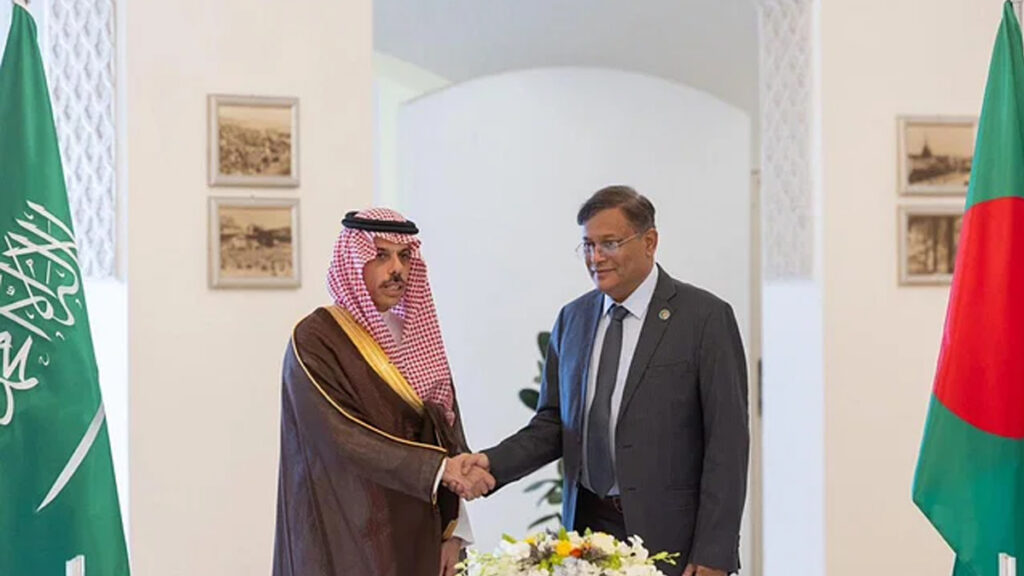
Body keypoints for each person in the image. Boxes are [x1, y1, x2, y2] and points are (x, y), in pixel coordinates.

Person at [455, 186, 749, 576]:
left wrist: (714, 552)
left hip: (672, 539)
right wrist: (491, 463)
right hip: (588, 532)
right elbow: (553, 425)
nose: (596, 258)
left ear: (650, 242)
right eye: (588, 245)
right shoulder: (573, 319)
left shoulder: (704, 318)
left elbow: (727, 445)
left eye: (609, 244)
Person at [273, 207, 494, 576]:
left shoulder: (416, 337)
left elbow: (445, 434)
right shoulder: (316, 338)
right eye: (380, 255)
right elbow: (343, 436)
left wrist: (455, 532)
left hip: (422, 530)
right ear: (352, 261)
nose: (397, 269)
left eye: (404, 256)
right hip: (345, 527)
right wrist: (440, 469)